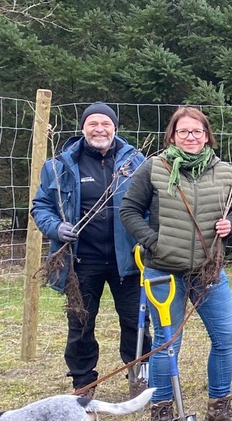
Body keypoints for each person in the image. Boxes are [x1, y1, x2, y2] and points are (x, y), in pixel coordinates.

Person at [119, 106, 232, 421]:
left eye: (197, 132)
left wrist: (231, 224)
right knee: (167, 344)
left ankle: (219, 408)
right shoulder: (155, 167)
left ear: (207, 135)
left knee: (227, 337)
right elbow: (129, 210)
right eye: (183, 132)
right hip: (164, 272)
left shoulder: (222, 170)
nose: (191, 137)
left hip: (209, 271)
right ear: (173, 135)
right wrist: (154, 242)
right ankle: (162, 412)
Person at [31, 102, 148, 398]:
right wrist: (56, 228)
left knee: (137, 321)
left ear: (115, 128)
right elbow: (40, 206)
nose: (99, 129)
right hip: (81, 261)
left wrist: (146, 237)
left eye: (105, 124)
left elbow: (152, 205)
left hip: (129, 261)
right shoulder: (59, 166)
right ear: (83, 128)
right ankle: (83, 383)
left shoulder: (137, 162)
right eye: (93, 124)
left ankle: (140, 376)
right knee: (81, 323)